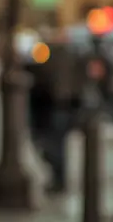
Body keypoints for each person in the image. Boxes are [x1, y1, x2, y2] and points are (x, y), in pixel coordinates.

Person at [28, 29, 82, 194]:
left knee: (52, 144)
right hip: (60, 105)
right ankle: (59, 178)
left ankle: (59, 179)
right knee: (55, 144)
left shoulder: (53, 54)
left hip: (54, 105)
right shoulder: (70, 55)